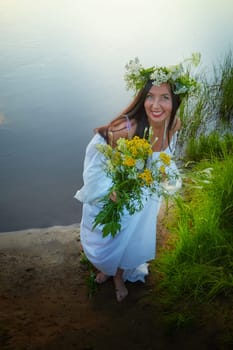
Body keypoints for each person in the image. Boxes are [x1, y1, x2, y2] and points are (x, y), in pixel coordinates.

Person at [74, 55, 200, 302]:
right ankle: (105, 268)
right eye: (150, 97)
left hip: (145, 186)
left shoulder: (174, 124)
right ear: (142, 99)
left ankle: (119, 275)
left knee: (132, 235)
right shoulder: (127, 129)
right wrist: (110, 186)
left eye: (164, 97)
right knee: (111, 232)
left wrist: (162, 176)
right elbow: (98, 147)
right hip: (119, 182)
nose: (156, 105)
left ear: (175, 101)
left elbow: (163, 156)